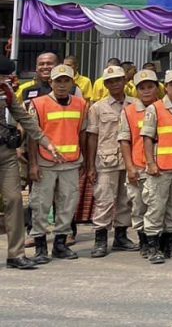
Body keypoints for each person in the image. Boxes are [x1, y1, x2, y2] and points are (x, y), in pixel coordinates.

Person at [1, 57, 63, 269]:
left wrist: (47, 143)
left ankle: (16, 255)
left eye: (5, 76)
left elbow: (26, 119)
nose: (3, 80)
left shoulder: (6, 91)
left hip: (5, 154)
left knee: (14, 200)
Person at [27, 64, 89, 263]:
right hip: (45, 162)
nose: (62, 85)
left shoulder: (81, 104)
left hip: (71, 162)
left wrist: (85, 160)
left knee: (68, 204)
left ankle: (60, 244)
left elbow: (82, 134)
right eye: (58, 81)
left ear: (73, 83)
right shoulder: (38, 104)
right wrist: (33, 164)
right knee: (40, 205)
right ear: (50, 82)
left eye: (66, 81)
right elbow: (32, 137)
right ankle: (40, 246)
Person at [85, 65, 138, 258]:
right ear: (105, 84)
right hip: (106, 160)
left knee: (126, 200)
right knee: (104, 200)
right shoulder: (97, 108)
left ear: (125, 81)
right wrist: (90, 165)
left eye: (118, 80)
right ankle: (100, 239)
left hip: (131, 159)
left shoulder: (136, 104)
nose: (114, 84)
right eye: (110, 81)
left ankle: (121, 237)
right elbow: (92, 137)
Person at [140, 68, 172, 264]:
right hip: (160, 168)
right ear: (166, 87)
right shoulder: (155, 108)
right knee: (156, 206)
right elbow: (147, 138)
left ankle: (171, 242)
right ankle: (153, 245)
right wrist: (150, 163)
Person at [119, 70, 160, 258]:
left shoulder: (163, 108)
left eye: (150, 86)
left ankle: (159, 241)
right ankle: (144, 241)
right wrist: (129, 167)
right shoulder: (128, 112)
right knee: (139, 206)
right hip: (139, 166)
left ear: (157, 88)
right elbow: (124, 140)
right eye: (142, 88)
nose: (146, 91)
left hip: (161, 166)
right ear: (136, 90)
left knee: (158, 206)